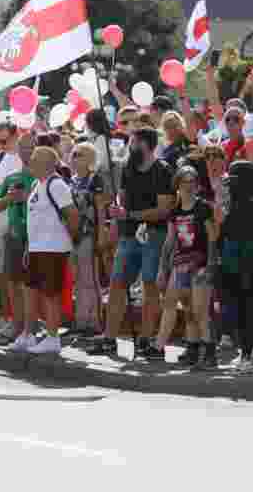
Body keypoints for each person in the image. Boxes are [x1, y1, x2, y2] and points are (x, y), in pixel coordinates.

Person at [87, 127, 174, 358]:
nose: (130, 146)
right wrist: (117, 212)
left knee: (149, 285)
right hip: (128, 235)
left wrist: (130, 215)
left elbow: (164, 209)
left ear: (147, 145)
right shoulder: (128, 169)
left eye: (134, 142)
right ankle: (109, 338)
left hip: (154, 235)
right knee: (117, 284)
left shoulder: (163, 170)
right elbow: (123, 199)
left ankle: (146, 338)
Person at [148, 164, 217, 365]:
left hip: (201, 263)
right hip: (180, 264)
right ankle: (162, 347)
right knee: (173, 304)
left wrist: (211, 266)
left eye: (192, 181)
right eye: (184, 181)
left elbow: (212, 238)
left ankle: (209, 352)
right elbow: (169, 241)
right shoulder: (175, 211)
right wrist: (163, 269)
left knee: (199, 310)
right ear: (177, 184)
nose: (189, 186)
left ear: (197, 185)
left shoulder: (203, 208)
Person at [16, 146, 79, 354]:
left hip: (53, 249)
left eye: (35, 159)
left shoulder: (57, 184)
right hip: (36, 248)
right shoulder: (37, 184)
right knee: (30, 292)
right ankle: (28, 334)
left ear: (48, 164)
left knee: (50, 294)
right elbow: (35, 219)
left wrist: (69, 242)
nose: (30, 162)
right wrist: (29, 247)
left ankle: (52, 338)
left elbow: (72, 215)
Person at [217, 154, 253, 371]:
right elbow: (220, 222)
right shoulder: (229, 197)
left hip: (252, 254)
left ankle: (252, 355)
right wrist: (221, 197)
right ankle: (244, 353)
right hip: (232, 253)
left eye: (235, 179)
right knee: (237, 304)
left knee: (252, 305)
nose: (232, 183)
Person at [0, 133, 37, 345]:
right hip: (14, 235)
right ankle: (17, 324)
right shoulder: (12, 178)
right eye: (23, 148)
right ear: (18, 151)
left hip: (36, 238)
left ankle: (31, 327)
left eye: (31, 147)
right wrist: (10, 197)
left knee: (31, 286)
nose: (27, 152)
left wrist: (27, 197)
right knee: (13, 283)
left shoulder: (43, 178)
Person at [0, 121, 24, 338]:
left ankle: (17, 320)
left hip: (16, 220)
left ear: (15, 136)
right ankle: (4, 316)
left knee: (13, 274)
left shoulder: (23, 158)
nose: (0, 144)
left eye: (4, 140)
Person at [67, 142, 108, 337]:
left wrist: (101, 235)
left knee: (90, 279)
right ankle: (81, 320)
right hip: (73, 236)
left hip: (89, 234)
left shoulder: (95, 179)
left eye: (79, 154)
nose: (74, 158)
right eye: (73, 154)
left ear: (90, 158)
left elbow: (100, 209)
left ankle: (94, 321)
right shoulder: (71, 180)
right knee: (78, 280)